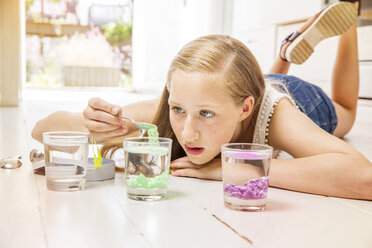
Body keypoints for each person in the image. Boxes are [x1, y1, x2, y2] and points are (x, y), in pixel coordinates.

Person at [32, 2, 372, 200]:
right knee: (252, 86)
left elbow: (363, 177)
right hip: (249, 86)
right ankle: (284, 52)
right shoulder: (181, 101)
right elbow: (40, 129)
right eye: (179, 110)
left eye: (206, 114)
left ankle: (350, 22)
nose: (188, 132)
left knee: (346, 113)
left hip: (294, 95)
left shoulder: (281, 118)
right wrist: (91, 123)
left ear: (246, 109)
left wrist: (231, 169)